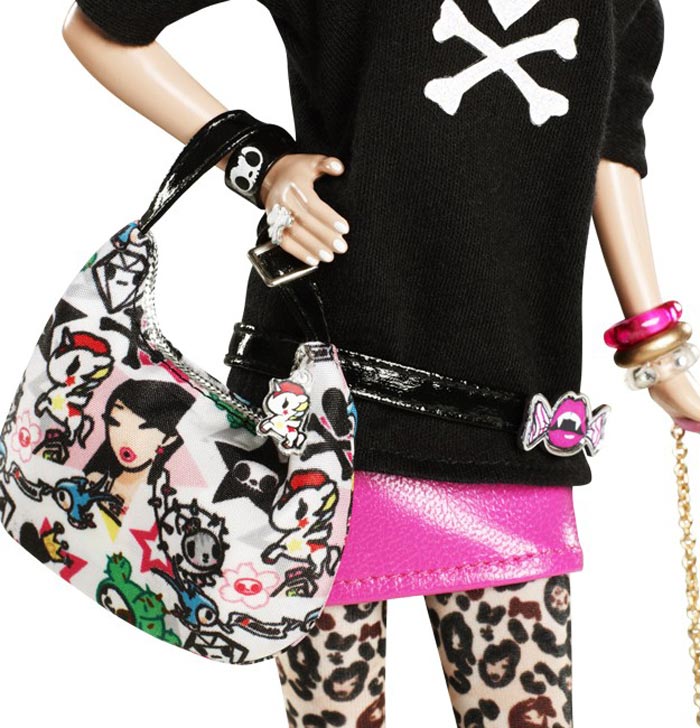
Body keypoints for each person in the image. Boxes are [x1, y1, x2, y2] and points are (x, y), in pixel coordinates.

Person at [61, 1, 700, 726]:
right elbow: (104, 26)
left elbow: (609, 153)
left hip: (510, 410)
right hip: (324, 415)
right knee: (334, 714)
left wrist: (659, 352)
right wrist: (258, 162)